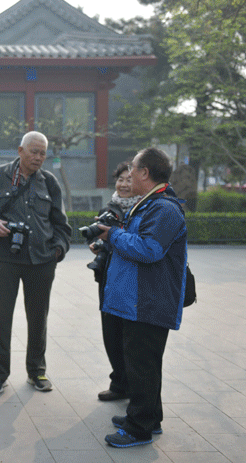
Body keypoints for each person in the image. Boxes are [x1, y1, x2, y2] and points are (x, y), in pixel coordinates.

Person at [94, 147, 188, 448]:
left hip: (148, 302)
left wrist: (113, 235)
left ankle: (139, 428)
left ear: (145, 173)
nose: (129, 174)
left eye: (133, 169)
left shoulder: (164, 209)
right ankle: (149, 417)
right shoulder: (148, 204)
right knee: (143, 363)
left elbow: (149, 249)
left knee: (142, 365)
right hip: (138, 299)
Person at [0, 131, 71, 394]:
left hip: (42, 259)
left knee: (38, 318)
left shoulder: (49, 182)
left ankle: (37, 371)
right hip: (6, 258)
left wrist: (58, 249)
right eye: (34, 152)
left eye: (42, 153)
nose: (38, 157)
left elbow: (61, 223)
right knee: (1, 318)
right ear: (20, 150)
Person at [87, 162, 142, 401]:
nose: (124, 184)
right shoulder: (108, 209)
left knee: (131, 336)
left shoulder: (144, 210)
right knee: (110, 332)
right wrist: (98, 245)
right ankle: (119, 383)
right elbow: (102, 239)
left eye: (129, 179)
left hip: (133, 279)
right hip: (108, 277)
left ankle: (134, 386)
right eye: (121, 179)